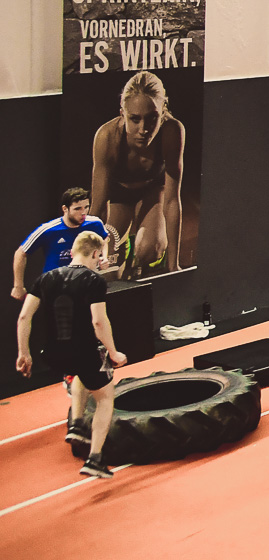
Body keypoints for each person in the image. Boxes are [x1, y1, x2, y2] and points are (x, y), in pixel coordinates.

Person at [14, 231, 127, 479]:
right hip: (84, 352)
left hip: (52, 355)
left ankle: (75, 424)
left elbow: (24, 316)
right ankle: (95, 459)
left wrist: (24, 353)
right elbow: (99, 322)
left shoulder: (45, 278)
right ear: (97, 254)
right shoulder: (94, 281)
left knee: (80, 375)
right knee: (106, 397)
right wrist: (113, 352)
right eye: (100, 257)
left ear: (73, 251)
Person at [89, 70, 185, 277]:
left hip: (152, 193)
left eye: (152, 119)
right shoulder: (107, 137)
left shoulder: (172, 131)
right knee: (109, 271)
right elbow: (97, 207)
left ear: (163, 110)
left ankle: (141, 250)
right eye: (135, 119)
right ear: (122, 113)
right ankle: (125, 246)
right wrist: (86, 263)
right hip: (118, 197)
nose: (144, 129)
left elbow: (172, 200)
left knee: (148, 250)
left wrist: (173, 266)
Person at [12, 187, 109, 301]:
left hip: (85, 284)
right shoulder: (48, 230)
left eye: (86, 207)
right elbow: (21, 253)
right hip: (55, 286)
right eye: (77, 209)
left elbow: (104, 239)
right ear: (65, 208)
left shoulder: (95, 223)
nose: (83, 212)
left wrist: (104, 257)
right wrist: (18, 286)